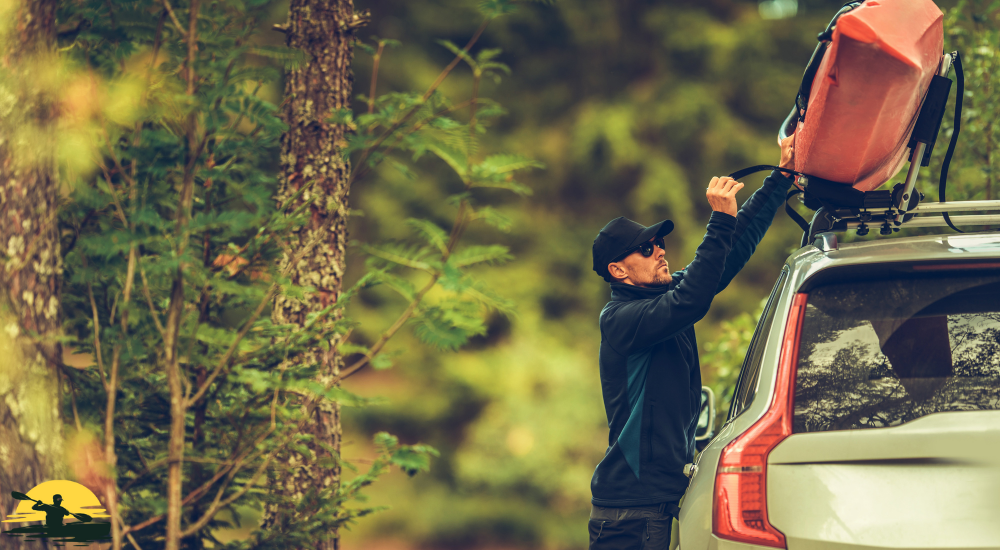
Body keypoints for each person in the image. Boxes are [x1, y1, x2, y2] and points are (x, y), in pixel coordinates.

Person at [587, 136, 795, 549]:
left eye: (659, 242)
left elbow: (725, 256)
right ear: (618, 270)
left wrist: (781, 177)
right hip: (630, 514)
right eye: (646, 249)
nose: (660, 250)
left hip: (655, 505)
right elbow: (693, 299)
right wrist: (718, 220)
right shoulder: (623, 319)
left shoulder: (661, 299)